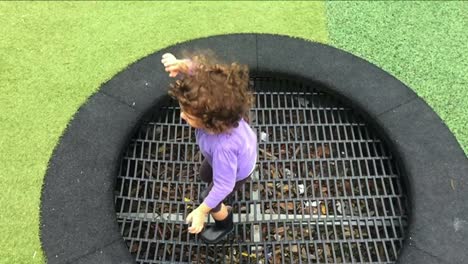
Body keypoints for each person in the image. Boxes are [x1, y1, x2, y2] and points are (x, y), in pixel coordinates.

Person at [161, 52, 257, 243]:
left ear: (210, 121)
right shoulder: (223, 108)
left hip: (238, 171)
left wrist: (202, 210)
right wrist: (182, 66)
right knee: (206, 175)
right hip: (231, 154)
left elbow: (224, 185)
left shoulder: (223, 147)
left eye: (188, 116)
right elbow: (202, 75)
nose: (182, 116)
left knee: (210, 196)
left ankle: (225, 223)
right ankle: (215, 202)